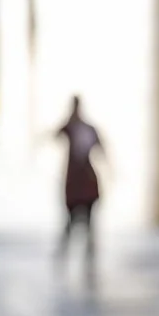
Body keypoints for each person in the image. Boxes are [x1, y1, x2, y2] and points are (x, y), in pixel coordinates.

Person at [55, 95, 106, 282]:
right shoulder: (72, 128)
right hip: (75, 185)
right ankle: (66, 255)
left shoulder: (87, 129)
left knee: (89, 224)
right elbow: (55, 135)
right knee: (70, 222)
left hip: (87, 183)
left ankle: (89, 257)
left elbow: (102, 149)